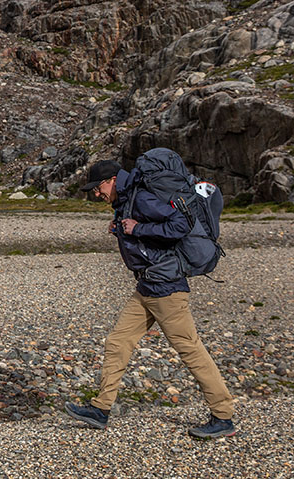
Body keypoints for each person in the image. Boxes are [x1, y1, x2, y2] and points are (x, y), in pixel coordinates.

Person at [64, 158, 237, 439]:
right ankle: (100, 409)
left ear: (111, 181)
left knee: (190, 350)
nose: (96, 194)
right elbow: (145, 234)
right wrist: (121, 228)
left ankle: (223, 415)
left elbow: (180, 224)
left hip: (166, 289)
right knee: (118, 341)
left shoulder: (142, 197)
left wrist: (136, 229)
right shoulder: (128, 198)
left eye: (98, 188)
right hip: (147, 287)